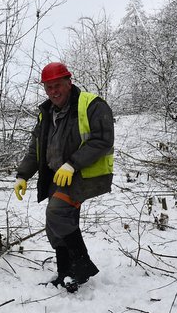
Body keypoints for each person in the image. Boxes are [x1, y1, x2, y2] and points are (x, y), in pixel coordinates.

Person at [13, 62, 114, 292]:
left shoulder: (91, 105)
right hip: (60, 176)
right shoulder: (47, 113)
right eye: (48, 88)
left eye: (58, 85)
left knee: (57, 212)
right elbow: (35, 149)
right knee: (54, 223)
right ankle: (65, 273)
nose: (53, 92)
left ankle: (82, 267)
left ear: (69, 82)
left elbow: (103, 139)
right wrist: (23, 175)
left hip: (87, 173)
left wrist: (72, 164)